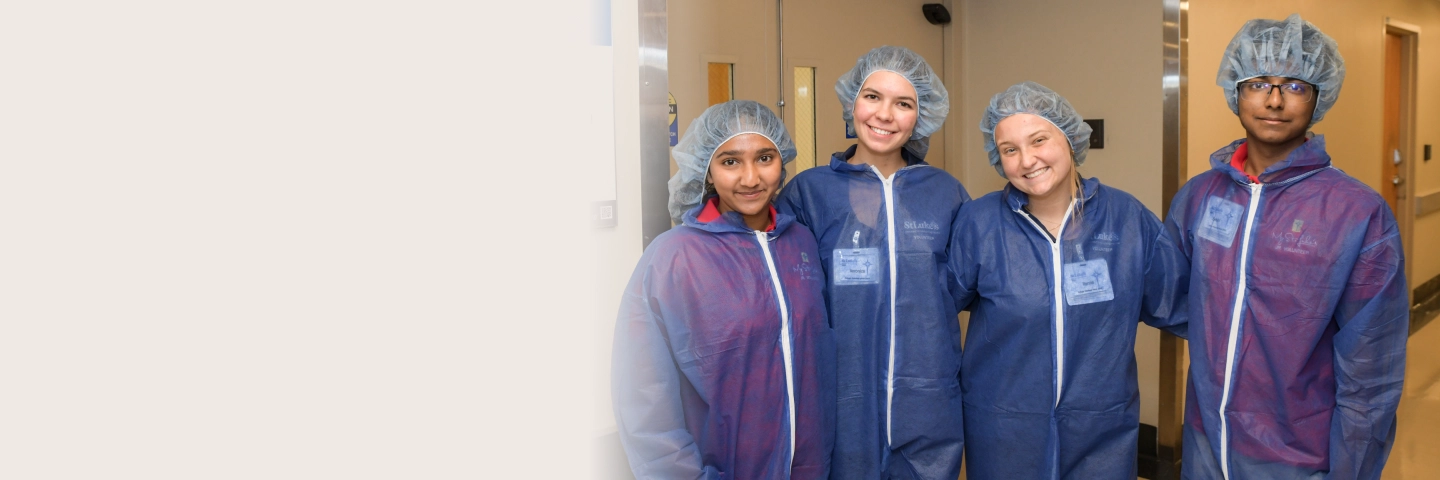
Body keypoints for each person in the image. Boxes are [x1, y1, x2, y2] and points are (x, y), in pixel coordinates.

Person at [1166, 14, 1407, 479]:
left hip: (1301, 457)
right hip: (1206, 446)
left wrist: (1351, 471)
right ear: (1235, 90)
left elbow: (1371, 370)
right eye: (1258, 83)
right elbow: (1172, 299)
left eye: (1295, 85)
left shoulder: (1356, 213)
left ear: (1318, 97)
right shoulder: (1200, 196)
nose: (1274, 100)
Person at [945, 81, 1189, 479]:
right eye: (1010, 150)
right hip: (1003, 428)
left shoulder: (1126, 219)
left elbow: (1182, 304)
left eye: (1039, 140)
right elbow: (931, 312)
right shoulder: (980, 223)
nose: (1027, 160)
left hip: (1100, 429)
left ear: (1070, 139)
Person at [611, 100, 835, 479]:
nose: (751, 178)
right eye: (730, 161)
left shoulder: (801, 242)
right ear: (708, 171)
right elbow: (643, 396)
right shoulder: (674, 257)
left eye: (765, 158)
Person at [776, 45, 967, 479]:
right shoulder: (809, 193)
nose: (885, 114)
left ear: (922, 116)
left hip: (927, 398)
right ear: (852, 102)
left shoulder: (945, 193)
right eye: (873, 96)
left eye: (904, 103)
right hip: (840, 393)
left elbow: (964, 286)